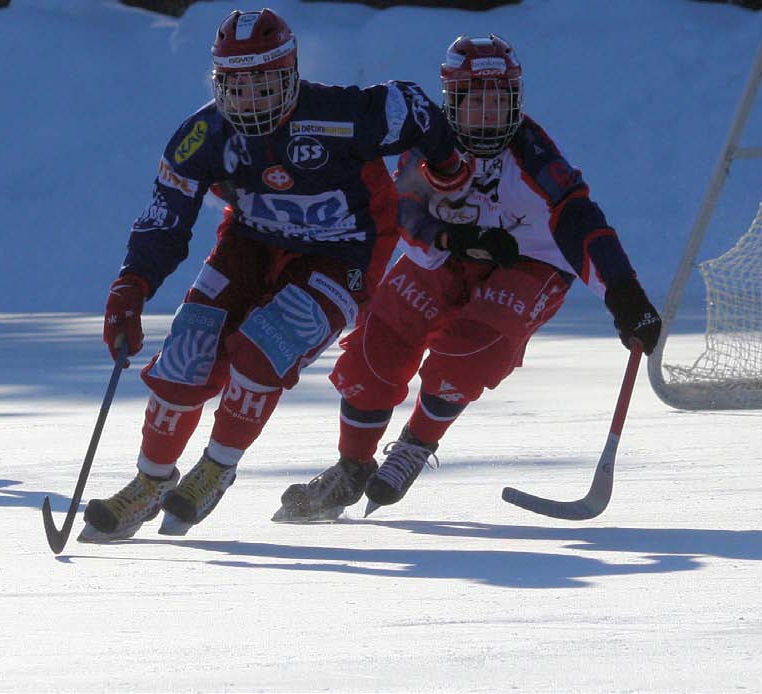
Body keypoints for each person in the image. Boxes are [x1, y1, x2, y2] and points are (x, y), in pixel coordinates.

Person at [80, 8, 473, 541]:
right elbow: (164, 221)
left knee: (268, 344)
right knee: (187, 349)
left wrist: (447, 165)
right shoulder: (202, 135)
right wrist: (130, 288)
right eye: (233, 86)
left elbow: (415, 105)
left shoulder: (341, 114)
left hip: (344, 253)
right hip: (252, 246)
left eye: (262, 83)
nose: (248, 100)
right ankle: (149, 481)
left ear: (289, 73)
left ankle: (217, 467)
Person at [275, 34, 662, 521]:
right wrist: (452, 241)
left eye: (499, 101)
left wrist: (625, 295)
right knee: (378, 343)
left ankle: (415, 445)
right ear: (451, 101)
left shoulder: (538, 159)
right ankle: (351, 467)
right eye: (475, 101)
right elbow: (406, 213)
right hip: (448, 255)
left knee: (471, 348)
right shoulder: (426, 146)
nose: (488, 115)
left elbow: (582, 222)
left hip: (531, 263)